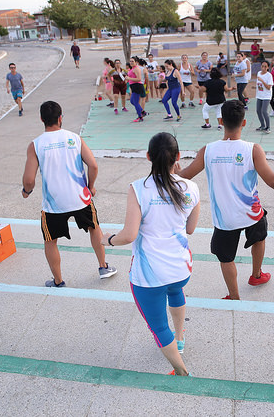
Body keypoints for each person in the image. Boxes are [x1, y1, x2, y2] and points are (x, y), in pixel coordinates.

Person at [176, 100, 274, 300]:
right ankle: (257, 275)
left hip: (224, 219)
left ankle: (234, 295)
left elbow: (186, 176)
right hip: (252, 213)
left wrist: (176, 172)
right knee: (259, 238)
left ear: (220, 121)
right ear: (244, 123)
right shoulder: (253, 149)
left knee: (226, 258)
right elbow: (272, 181)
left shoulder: (208, 151)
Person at [102, 132, 200, 376]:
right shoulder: (191, 188)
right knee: (175, 291)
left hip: (150, 276)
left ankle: (180, 370)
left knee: (158, 326)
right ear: (177, 157)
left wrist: (107, 240)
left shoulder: (138, 189)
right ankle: (180, 338)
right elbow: (190, 228)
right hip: (181, 269)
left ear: (148, 157)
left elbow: (129, 235)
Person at [22, 101, 117, 288]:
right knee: (94, 228)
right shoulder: (74, 138)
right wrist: (91, 187)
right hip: (81, 198)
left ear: (41, 119)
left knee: (50, 241)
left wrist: (26, 191)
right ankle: (103, 266)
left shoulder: (36, 145)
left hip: (53, 205)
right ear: (60, 118)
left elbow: (29, 180)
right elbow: (93, 165)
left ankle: (58, 281)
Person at [125, 57, 145, 122]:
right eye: (130, 61)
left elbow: (139, 79)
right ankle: (142, 111)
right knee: (132, 101)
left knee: (135, 102)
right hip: (133, 86)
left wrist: (129, 78)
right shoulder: (132, 68)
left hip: (137, 86)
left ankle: (140, 117)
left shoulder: (136, 69)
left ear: (136, 62)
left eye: (132, 61)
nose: (131, 62)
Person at [255, 60, 273, 133]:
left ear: (268, 67)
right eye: (262, 66)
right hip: (259, 95)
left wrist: (262, 81)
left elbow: (268, 87)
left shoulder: (269, 75)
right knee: (258, 110)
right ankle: (262, 125)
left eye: (265, 66)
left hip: (266, 96)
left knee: (264, 111)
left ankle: (268, 127)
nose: (263, 68)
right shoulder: (259, 73)